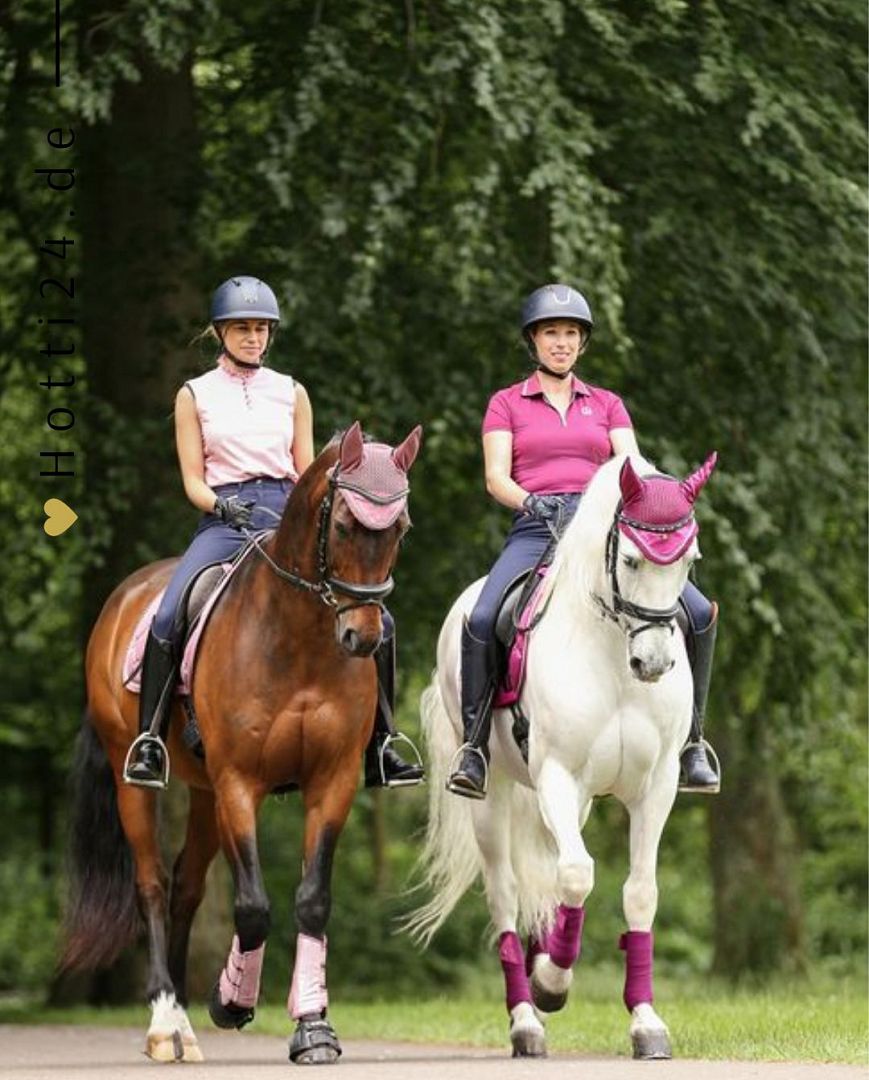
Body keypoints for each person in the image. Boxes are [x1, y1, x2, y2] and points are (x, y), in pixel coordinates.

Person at [123, 275, 424, 791]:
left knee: (384, 622)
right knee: (173, 608)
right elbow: (193, 479)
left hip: (286, 519)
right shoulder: (194, 394)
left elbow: (308, 471)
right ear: (220, 332)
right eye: (242, 328)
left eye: (262, 329)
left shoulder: (291, 392)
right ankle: (150, 739)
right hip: (224, 520)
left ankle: (382, 743)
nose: (254, 338)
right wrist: (221, 504)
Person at [446, 283, 720, 800]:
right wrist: (530, 501)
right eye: (552, 333)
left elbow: (631, 465)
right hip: (537, 527)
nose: (562, 343)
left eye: (571, 334)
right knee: (482, 619)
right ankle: (475, 748)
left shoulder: (608, 404)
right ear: (534, 341)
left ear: (582, 344)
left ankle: (693, 743)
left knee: (700, 612)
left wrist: (662, 493)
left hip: (601, 530)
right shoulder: (506, 403)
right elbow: (495, 477)